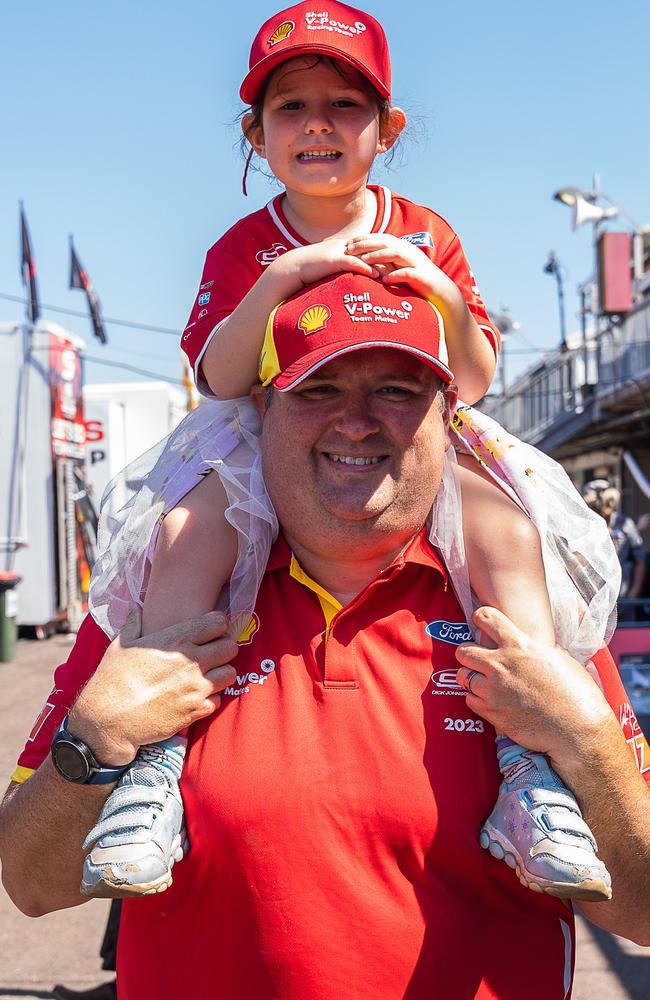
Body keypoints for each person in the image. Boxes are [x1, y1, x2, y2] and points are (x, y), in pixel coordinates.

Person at [73, 0, 621, 906]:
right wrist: (281, 280)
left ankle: (531, 773)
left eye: (345, 104)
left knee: (512, 534)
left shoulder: (424, 228)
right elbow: (218, 377)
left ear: (389, 129)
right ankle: (154, 767)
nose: (318, 124)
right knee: (181, 535)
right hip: (262, 430)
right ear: (254, 134)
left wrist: (442, 292)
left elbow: (474, 380)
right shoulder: (246, 244)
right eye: (290, 108)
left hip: (420, 429)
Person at [1, 284, 649, 1000]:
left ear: (449, 418)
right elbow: (31, 886)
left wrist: (590, 747)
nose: (357, 422)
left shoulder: (522, 608)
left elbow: (644, 912)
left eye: (397, 390)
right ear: (260, 412)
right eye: (319, 388)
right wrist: (91, 742)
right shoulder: (161, 605)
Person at [582, 480, 647, 604]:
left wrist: (635, 591)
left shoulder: (624, 523)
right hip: (593, 597)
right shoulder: (586, 524)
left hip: (623, 596)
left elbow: (640, 559)